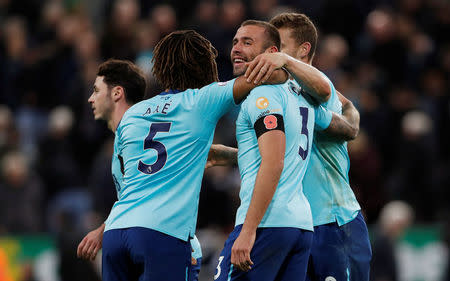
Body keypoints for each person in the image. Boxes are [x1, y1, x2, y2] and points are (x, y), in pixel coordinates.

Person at [77, 30, 287, 281]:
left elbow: (130, 180)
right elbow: (271, 77)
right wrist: (285, 63)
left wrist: (102, 229)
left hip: (116, 233)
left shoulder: (133, 114)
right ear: (204, 67)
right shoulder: (203, 99)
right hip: (162, 234)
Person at [247, 13, 372, 281]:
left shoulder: (315, 86)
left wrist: (285, 61)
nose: (273, 52)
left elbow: (326, 92)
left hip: (334, 223)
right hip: (296, 226)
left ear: (303, 50)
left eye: (279, 45)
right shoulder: (282, 94)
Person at [214, 20, 334, 281]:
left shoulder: (263, 96)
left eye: (248, 42)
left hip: (268, 223)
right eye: (235, 41)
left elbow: (274, 163)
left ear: (272, 54)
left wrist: (248, 230)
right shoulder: (300, 94)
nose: (236, 48)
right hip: (300, 226)